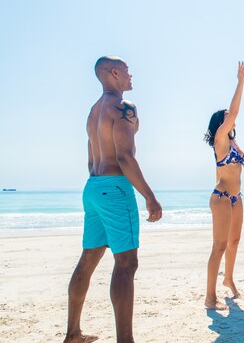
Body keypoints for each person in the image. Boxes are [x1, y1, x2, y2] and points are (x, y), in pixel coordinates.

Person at [64, 56, 163, 343]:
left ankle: (73, 333)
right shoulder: (123, 107)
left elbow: (89, 157)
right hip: (116, 188)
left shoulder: (94, 111)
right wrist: (150, 196)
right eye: (127, 71)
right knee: (126, 264)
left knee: (88, 259)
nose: (132, 75)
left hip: (93, 186)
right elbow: (124, 156)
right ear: (114, 73)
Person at [204, 61, 244, 310]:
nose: (229, 120)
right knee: (219, 246)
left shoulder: (232, 141)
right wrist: (240, 82)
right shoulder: (220, 141)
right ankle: (209, 297)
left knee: (233, 243)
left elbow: (233, 120)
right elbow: (233, 114)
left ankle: (228, 278)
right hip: (221, 196)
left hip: (236, 197)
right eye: (224, 119)